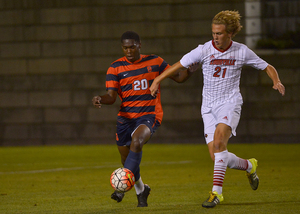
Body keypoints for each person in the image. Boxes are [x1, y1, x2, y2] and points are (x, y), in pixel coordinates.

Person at [150, 10, 285, 208]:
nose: (215, 37)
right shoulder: (204, 50)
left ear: (230, 34)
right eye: (213, 33)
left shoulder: (241, 51)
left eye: (219, 33)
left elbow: (267, 66)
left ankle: (216, 193)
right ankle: (249, 165)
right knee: (217, 156)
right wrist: (157, 80)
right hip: (208, 107)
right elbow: (179, 65)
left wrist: (276, 81)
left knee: (220, 142)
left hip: (230, 103)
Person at [92, 31, 195, 207]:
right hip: (126, 118)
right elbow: (111, 96)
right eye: (125, 48)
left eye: (132, 47)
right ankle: (141, 190)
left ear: (139, 45)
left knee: (137, 142)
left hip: (149, 114)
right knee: (128, 160)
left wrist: (191, 68)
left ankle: (120, 189)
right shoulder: (115, 67)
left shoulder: (155, 62)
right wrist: (100, 98)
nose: (129, 51)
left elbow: (179, 77)